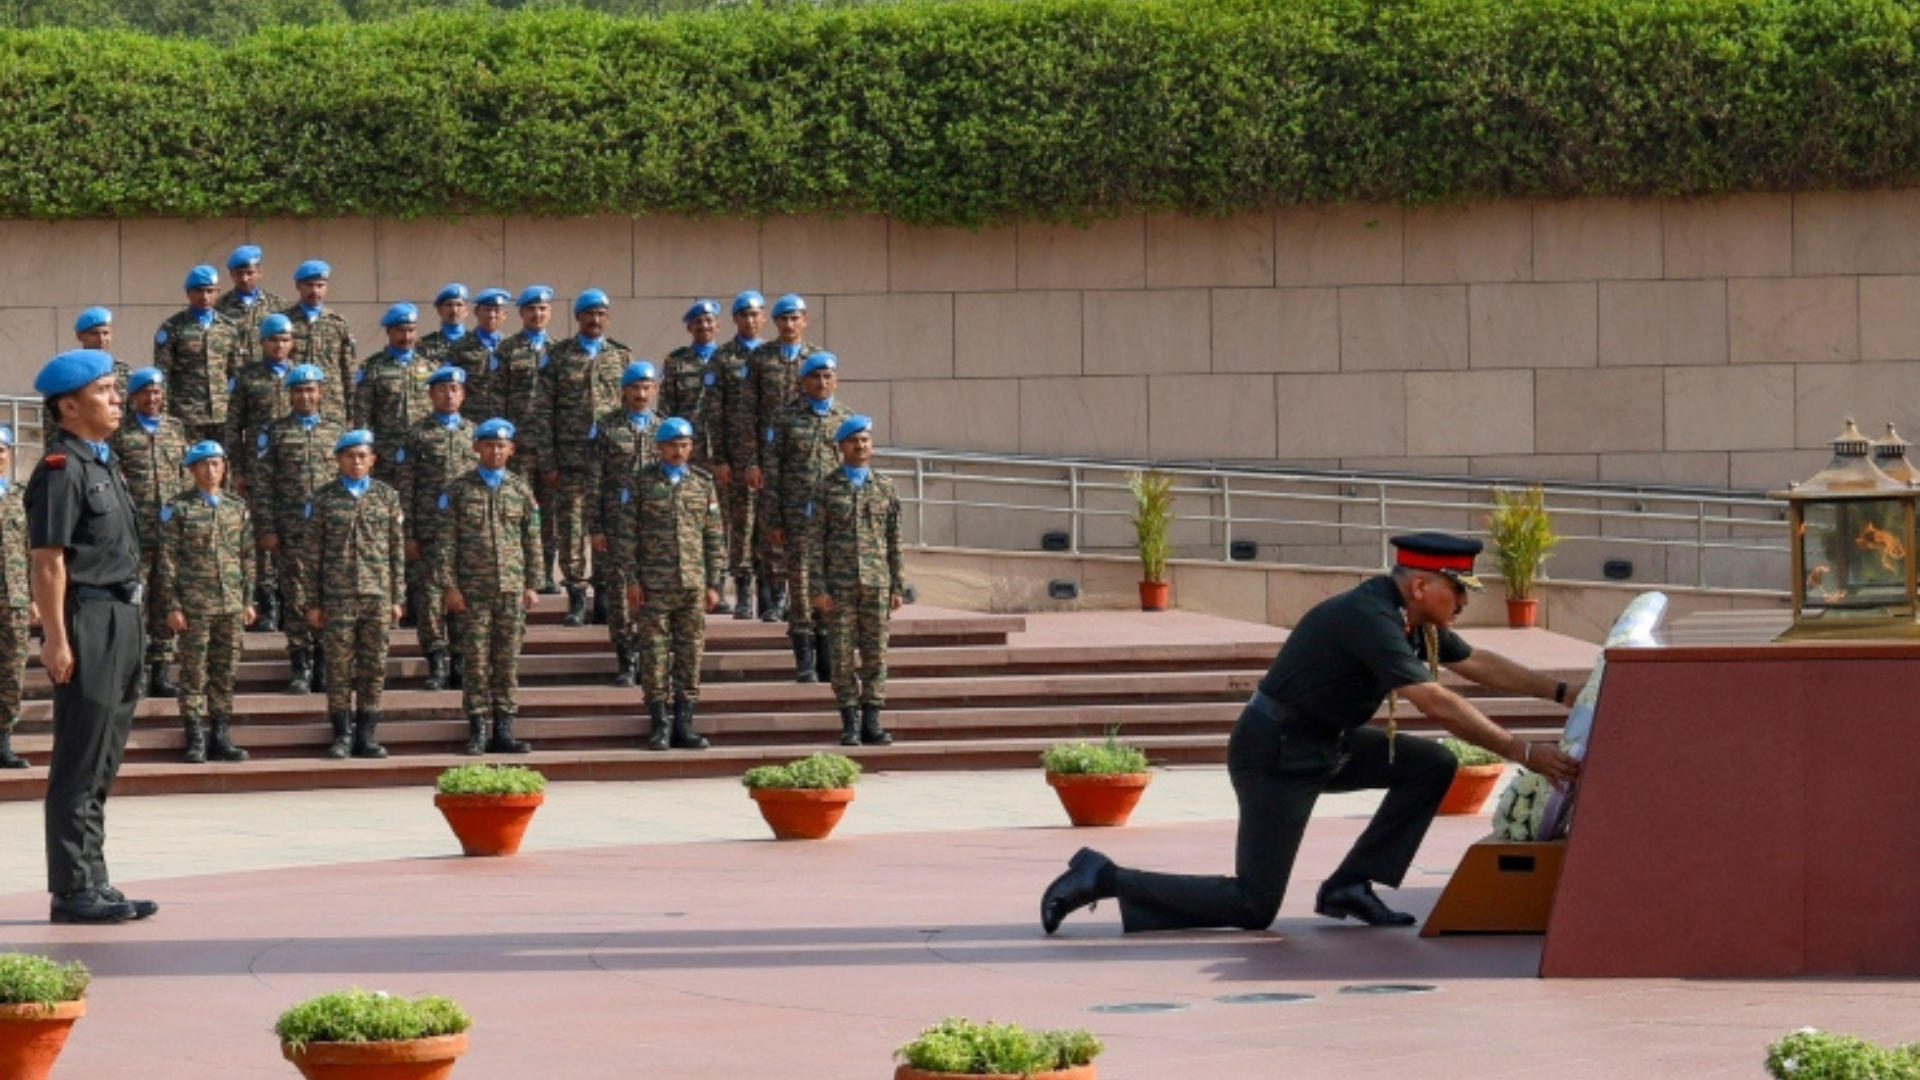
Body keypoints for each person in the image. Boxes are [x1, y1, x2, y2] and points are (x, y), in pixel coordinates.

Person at [1038, 533, 1584, 936]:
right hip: (1275, 753)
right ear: (1421, 584)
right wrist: (1523, 751)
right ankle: (1105, 876)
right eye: (1458, 590)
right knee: (1254, 906)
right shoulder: (1369, 618)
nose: (1464, 603)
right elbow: (1435, 701)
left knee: (1431, 766)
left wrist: (1565, 693)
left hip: (1329, 743)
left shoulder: (1410, 619)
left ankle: (1350, 884)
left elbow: (1480, 664)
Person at [27, 348, 156, 924]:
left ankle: (94, 880)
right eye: (103, 391)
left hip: (124, 618)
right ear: (70, 405)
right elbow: (49, 561)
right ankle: (72, 888)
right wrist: (56, 638)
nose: (115, 399)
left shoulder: (104, 463)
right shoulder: (61, 467)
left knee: (103, 757)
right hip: (89, 620)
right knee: (80, 758)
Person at [301, 429, 405, 760]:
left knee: (373, 666)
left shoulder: (387, 497)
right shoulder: (324, 499)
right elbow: (311, 554)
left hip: (377, 593)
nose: (356, 462)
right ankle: (342, 734)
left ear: (372, 460)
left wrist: (397, 597)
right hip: (338, 595)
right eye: (349, 456)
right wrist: (313, 602)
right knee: (339, 666)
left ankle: (367, 734)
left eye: (362, 456)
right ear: (338, 460)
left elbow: (396, 551)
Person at [621, 417, 723, 751]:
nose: (679, 451)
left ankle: (684, 723)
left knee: (690, 653)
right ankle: (659, 723)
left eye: (684, 445)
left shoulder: (703, 483)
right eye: (672, 445)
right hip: (654, 584)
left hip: (692, 583)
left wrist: (714, 582)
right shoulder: (640, 483)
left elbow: (713, 535)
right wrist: (632, 580)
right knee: (654, 654)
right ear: (659, 447)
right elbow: (627, 536)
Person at [530, 288, 629, 626]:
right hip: (570, 460)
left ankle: (604, 596)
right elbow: (543, 413)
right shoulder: (558, 357)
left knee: (606, 527)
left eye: (601, 314)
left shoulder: (621, 357)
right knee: (570, 529)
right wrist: (548, 460)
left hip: (611, 461)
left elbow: (632, 410)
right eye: (589, 314)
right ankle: (575, 596)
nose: (595, 319)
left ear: (608, 318)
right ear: (578, 318)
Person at [443, 419, 543, 754]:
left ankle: (504, 729)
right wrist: (450, 586)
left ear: (511, 450)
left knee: (507, 661)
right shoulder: (458, 490)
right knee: (475, 661)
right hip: (473, 591)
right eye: (488, 445)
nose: (495, 450)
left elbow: (532, 539)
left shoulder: (520, 489)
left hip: (511, 589)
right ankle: (476, 729)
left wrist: (533, 584)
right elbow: (446, 544)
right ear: (476, 448)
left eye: (502, 445)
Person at [156, 441, 256, 764]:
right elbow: (167, 561)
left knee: (224, 672)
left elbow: (248, 558)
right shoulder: (179, 508)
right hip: (195, 605)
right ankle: (195, 737)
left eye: (216, 464)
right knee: (194, 673)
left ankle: (221, 736)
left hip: (230, 603)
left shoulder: (236, 507)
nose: (211, 470)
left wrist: (248, 600)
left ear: (224, 467)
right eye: (203, 465)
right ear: (192, 470)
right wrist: (172, 605)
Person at [804, 414, 900, 746]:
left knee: (876, 654)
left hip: (876, 582)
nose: (860, 446)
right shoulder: (826, 488)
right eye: (853, 441)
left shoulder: (885, 486)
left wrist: (897, 584)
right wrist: (817, 588)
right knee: (842, 655)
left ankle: (872, 719)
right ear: (841, 447)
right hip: (839, 586)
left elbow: (894, 540)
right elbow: (814, 544)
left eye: (865, 440)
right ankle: (850, 721)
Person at [255, 364, 347, 694]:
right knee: (294, 598)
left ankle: (324, 662)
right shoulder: (275, 433)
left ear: (321, 392)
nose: (304, 396)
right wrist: (267, 527)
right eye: (298, 390)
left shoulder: (337, 432)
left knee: (329, 594)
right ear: (289, 394)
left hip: (331, 531)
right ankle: (300, 664)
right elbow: (263, 485)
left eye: (310, 390)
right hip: (291, 529)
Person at [765, 352, 854, 683]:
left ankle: (828, 655)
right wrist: (773, 520)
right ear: (803, 382)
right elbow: (773, 473)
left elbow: (855, 469)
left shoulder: (846, 418)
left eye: (828, 376)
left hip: (837, 522)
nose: (822, 382)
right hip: (797, 519)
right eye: (815, 377)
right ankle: (805, 658)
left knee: (833, 587)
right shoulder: (785, 418)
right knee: (801, 588)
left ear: (836, 380)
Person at [740, 292, 819, 623]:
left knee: (807, 528)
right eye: (783, 319)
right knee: (771, 528)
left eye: (795, 318)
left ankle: (803, 597)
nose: (789, 324)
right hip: (769, 455)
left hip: (803, 459)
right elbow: (746, 412)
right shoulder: (761, 357)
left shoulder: (816, 359)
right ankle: (774, 597)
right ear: (775, 323)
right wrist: (751, 461)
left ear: (805, 320)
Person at [398, 367, 477, 691]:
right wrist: (410, 533)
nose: (449, 395)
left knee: (462, 597)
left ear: (463, 394)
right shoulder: (416, 435)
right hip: (429, 532)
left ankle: (460, 660)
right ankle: (436, 660)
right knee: (430, 601)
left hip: (467, 534)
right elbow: (406, 487)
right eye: (442, 389)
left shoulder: (476, 435)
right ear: (431, 395)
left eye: (455, 389)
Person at [110, 366, 187, 699]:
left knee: (165, 599)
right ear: (133, 397)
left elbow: (184, 477)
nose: (152, 398)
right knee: (134, 602)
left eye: (157, 392)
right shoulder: (120, 433)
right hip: (135, 532)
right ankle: (135, 671)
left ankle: (161, 671)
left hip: (170, 533)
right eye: (145, 392)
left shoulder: (175, 429)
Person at [658, 298, 734, 615]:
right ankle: (685, 585)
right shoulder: (676, 362)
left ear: (717, 325)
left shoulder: (731, 360)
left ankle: (717, 586)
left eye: (709, 321)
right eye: (697, 322)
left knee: (720, 525)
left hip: (723, 457)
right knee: (685, 521)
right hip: (684, 455)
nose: (704, 326)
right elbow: (665, 409)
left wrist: (729, 458)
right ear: (689, 327)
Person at [587, 361, 660, 686]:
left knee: (654, 592)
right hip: (617, 524)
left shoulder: (665, 431)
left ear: (654, 390)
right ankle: (626, 659)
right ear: (624, 391)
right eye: (635, 388)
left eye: (646, 388)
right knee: (618, 593)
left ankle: (650, 656)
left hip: (657, 528)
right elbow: (595, 480)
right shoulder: (606, 428)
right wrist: (596, 527)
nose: (641, 394)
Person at [226, 311, 297, 633]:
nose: (279, 345)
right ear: (262, 343)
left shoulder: (302, 376)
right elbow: (233, 429)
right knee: (262, 535)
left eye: (284, 340)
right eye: (273, 340)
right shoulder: (247, 377)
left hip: (296, 467)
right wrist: (238, 469)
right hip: (259, 466)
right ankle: (266, 605)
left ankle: (291, 602)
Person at [496, 285, 559, 593]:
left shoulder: (560, 351)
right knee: (517, 510)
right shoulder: (506, 351)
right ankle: (517, 571)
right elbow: (498, 399)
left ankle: (546, 572)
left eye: (543, 309)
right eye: (532, 309)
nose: (537, 314)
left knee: (548, 514)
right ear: (521, 313)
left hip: (549, 448)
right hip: (516, 447)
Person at [710, 290, 765, 620]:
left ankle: (774, 595)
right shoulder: (723, 358)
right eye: (744, 314)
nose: (750, 320)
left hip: (774, 458)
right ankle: (743, 591)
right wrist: (719, 458)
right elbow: (714, 414)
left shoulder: (776, 355)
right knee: (738, 526)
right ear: (734, 319)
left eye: (756, 314)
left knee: (771, 526)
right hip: (736, 456)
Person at [154, 264, 246, 447]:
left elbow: (236, 373)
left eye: (209, 291)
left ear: (217, 292)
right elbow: (163, 374)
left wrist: (239, 411)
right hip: (186, 414)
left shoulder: (228, 327)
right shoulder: (173, 327)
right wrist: (163, 414)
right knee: (190, 468)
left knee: (222, 467)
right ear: (188, 293)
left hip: (222, 414)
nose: (204, 296)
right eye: (198, 291)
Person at [353, 302, 432, 487]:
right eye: (401, 331)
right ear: (388, 331)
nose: (407, 336)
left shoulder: (430, 367)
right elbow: (362, 415)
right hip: (387, 453)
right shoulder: (373, 367)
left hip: (422, 450)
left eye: (411, 330)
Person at [280, 259, 358, 424]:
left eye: (320, 285)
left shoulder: (338, 323)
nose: (314, 291)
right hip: (294, 402)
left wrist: (352, 413)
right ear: (298, 286)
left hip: (331, 405)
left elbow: (347, 369)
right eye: (309, 285)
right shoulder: (285, 321)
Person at [0, 426, 37, 769]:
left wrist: (35, 597)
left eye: (2, 449)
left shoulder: (20, 498)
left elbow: (32, 552)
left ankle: (3, 740)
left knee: (12, 672)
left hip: (15, 598)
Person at [449, 287, 511, 424]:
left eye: (497, 310)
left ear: (505, 315)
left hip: (505, 420)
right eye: (487, 310)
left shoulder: (513, 346)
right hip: (470, 421)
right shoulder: (459, 347)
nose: (492, 315)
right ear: (476, 312)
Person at [214, 244, 289, 349]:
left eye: (249, 273)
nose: (244, 279)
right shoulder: (219, 306)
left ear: (259, 273)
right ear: (232, 274)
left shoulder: (278, 305)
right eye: (239, 274)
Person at [72, 306, 132, 399]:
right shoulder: (71, 369)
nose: (101, 339)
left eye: (105, 333)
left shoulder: (123, 369)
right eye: (94, 334)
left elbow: (132, 408)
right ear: (79, 336)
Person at [416, 283, 470, 371]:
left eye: (459, 305)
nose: (454, 310)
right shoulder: (423, 345)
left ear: (466, 310)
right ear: (439, 310)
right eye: (449, 305)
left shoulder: (478, 344)